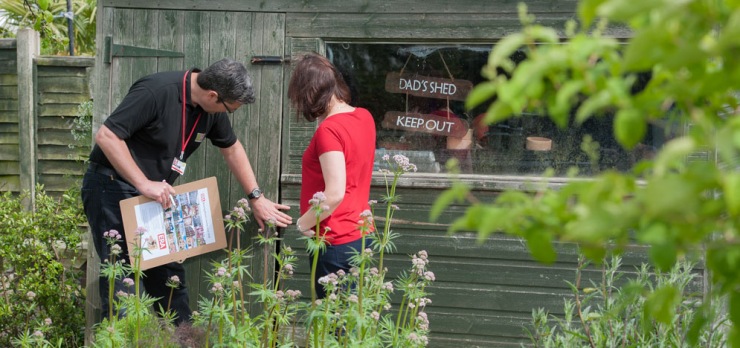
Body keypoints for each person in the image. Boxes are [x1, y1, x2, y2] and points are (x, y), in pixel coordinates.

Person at [81, 58, 292, 325]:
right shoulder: (156, 91)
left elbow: (232, 148)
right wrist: (144, 183)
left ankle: (183, 341)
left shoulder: (211, 110)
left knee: (171, 279)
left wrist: (256, 197)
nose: (229, 113)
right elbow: (108, 136)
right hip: (111, 187)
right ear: (213, 95)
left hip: (155, 197)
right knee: (123, 278)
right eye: (231, 108)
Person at [288, 53, 376, 299]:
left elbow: (335, 193)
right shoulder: (365, 117)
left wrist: (302, 224)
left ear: (310, 92)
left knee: (334, 326)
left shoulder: (329, 129)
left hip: (334, 240)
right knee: (351, 322)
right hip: (362, 235)